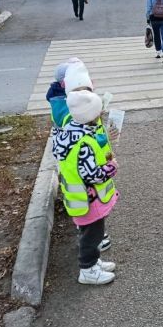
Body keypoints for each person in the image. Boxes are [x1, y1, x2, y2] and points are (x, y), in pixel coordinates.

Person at [54, 90, 119, 285]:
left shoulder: (70, 133)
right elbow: (93, 174)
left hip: (79, 198)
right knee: (93, 234)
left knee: (89, 233)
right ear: (91, 116)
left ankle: (93, 262)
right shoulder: (84, 143)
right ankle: (88, 269)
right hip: (88, 199)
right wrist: (111, 167)